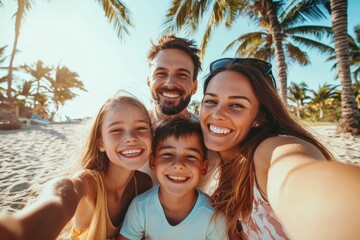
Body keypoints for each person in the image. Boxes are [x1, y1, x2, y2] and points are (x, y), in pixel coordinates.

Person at [199, 58, 360, 239]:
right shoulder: (229, 162)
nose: (217, 114)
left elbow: (296, 172)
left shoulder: (268, 150)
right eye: (211, 101)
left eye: (236, 105)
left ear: (260, 116)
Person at [0, 93, 153, 239]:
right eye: (116, 130)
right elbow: (67, 189)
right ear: (101, 143)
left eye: (141, 128)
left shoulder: (143, 184)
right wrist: (20, 228)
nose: (131, 138)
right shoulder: (89, 183)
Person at [118, 118, 229, 240]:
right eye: (168, 154)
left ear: (203, 168)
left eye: (190, 156)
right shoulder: (140, 207)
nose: (178, 164)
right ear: (153, 163)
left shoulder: (214, 217)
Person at [146, 34, 202, 123]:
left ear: (194, 87)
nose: (170, 84)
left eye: (182, 75)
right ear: (149, 82)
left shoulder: (207, 132)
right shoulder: (127, 129)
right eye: (161, 74)